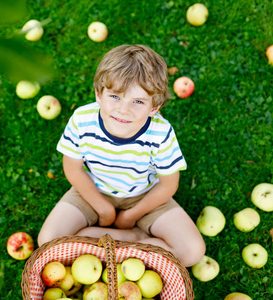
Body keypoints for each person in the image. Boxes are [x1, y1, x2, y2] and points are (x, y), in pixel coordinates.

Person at [37, 44, 205, 267]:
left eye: (138, 101)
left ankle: (135, 237)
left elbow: (167, 185)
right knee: (47, 242)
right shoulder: (82, 120)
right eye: (115, 96)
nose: (124, 110)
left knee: (192, 252)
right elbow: (73, 168)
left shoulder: (161, 133)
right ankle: (141, 245)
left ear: (154, 107)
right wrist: (103, 209)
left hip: (144, 196)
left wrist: (131, 216)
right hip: (92, 189)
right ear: (99, 94)